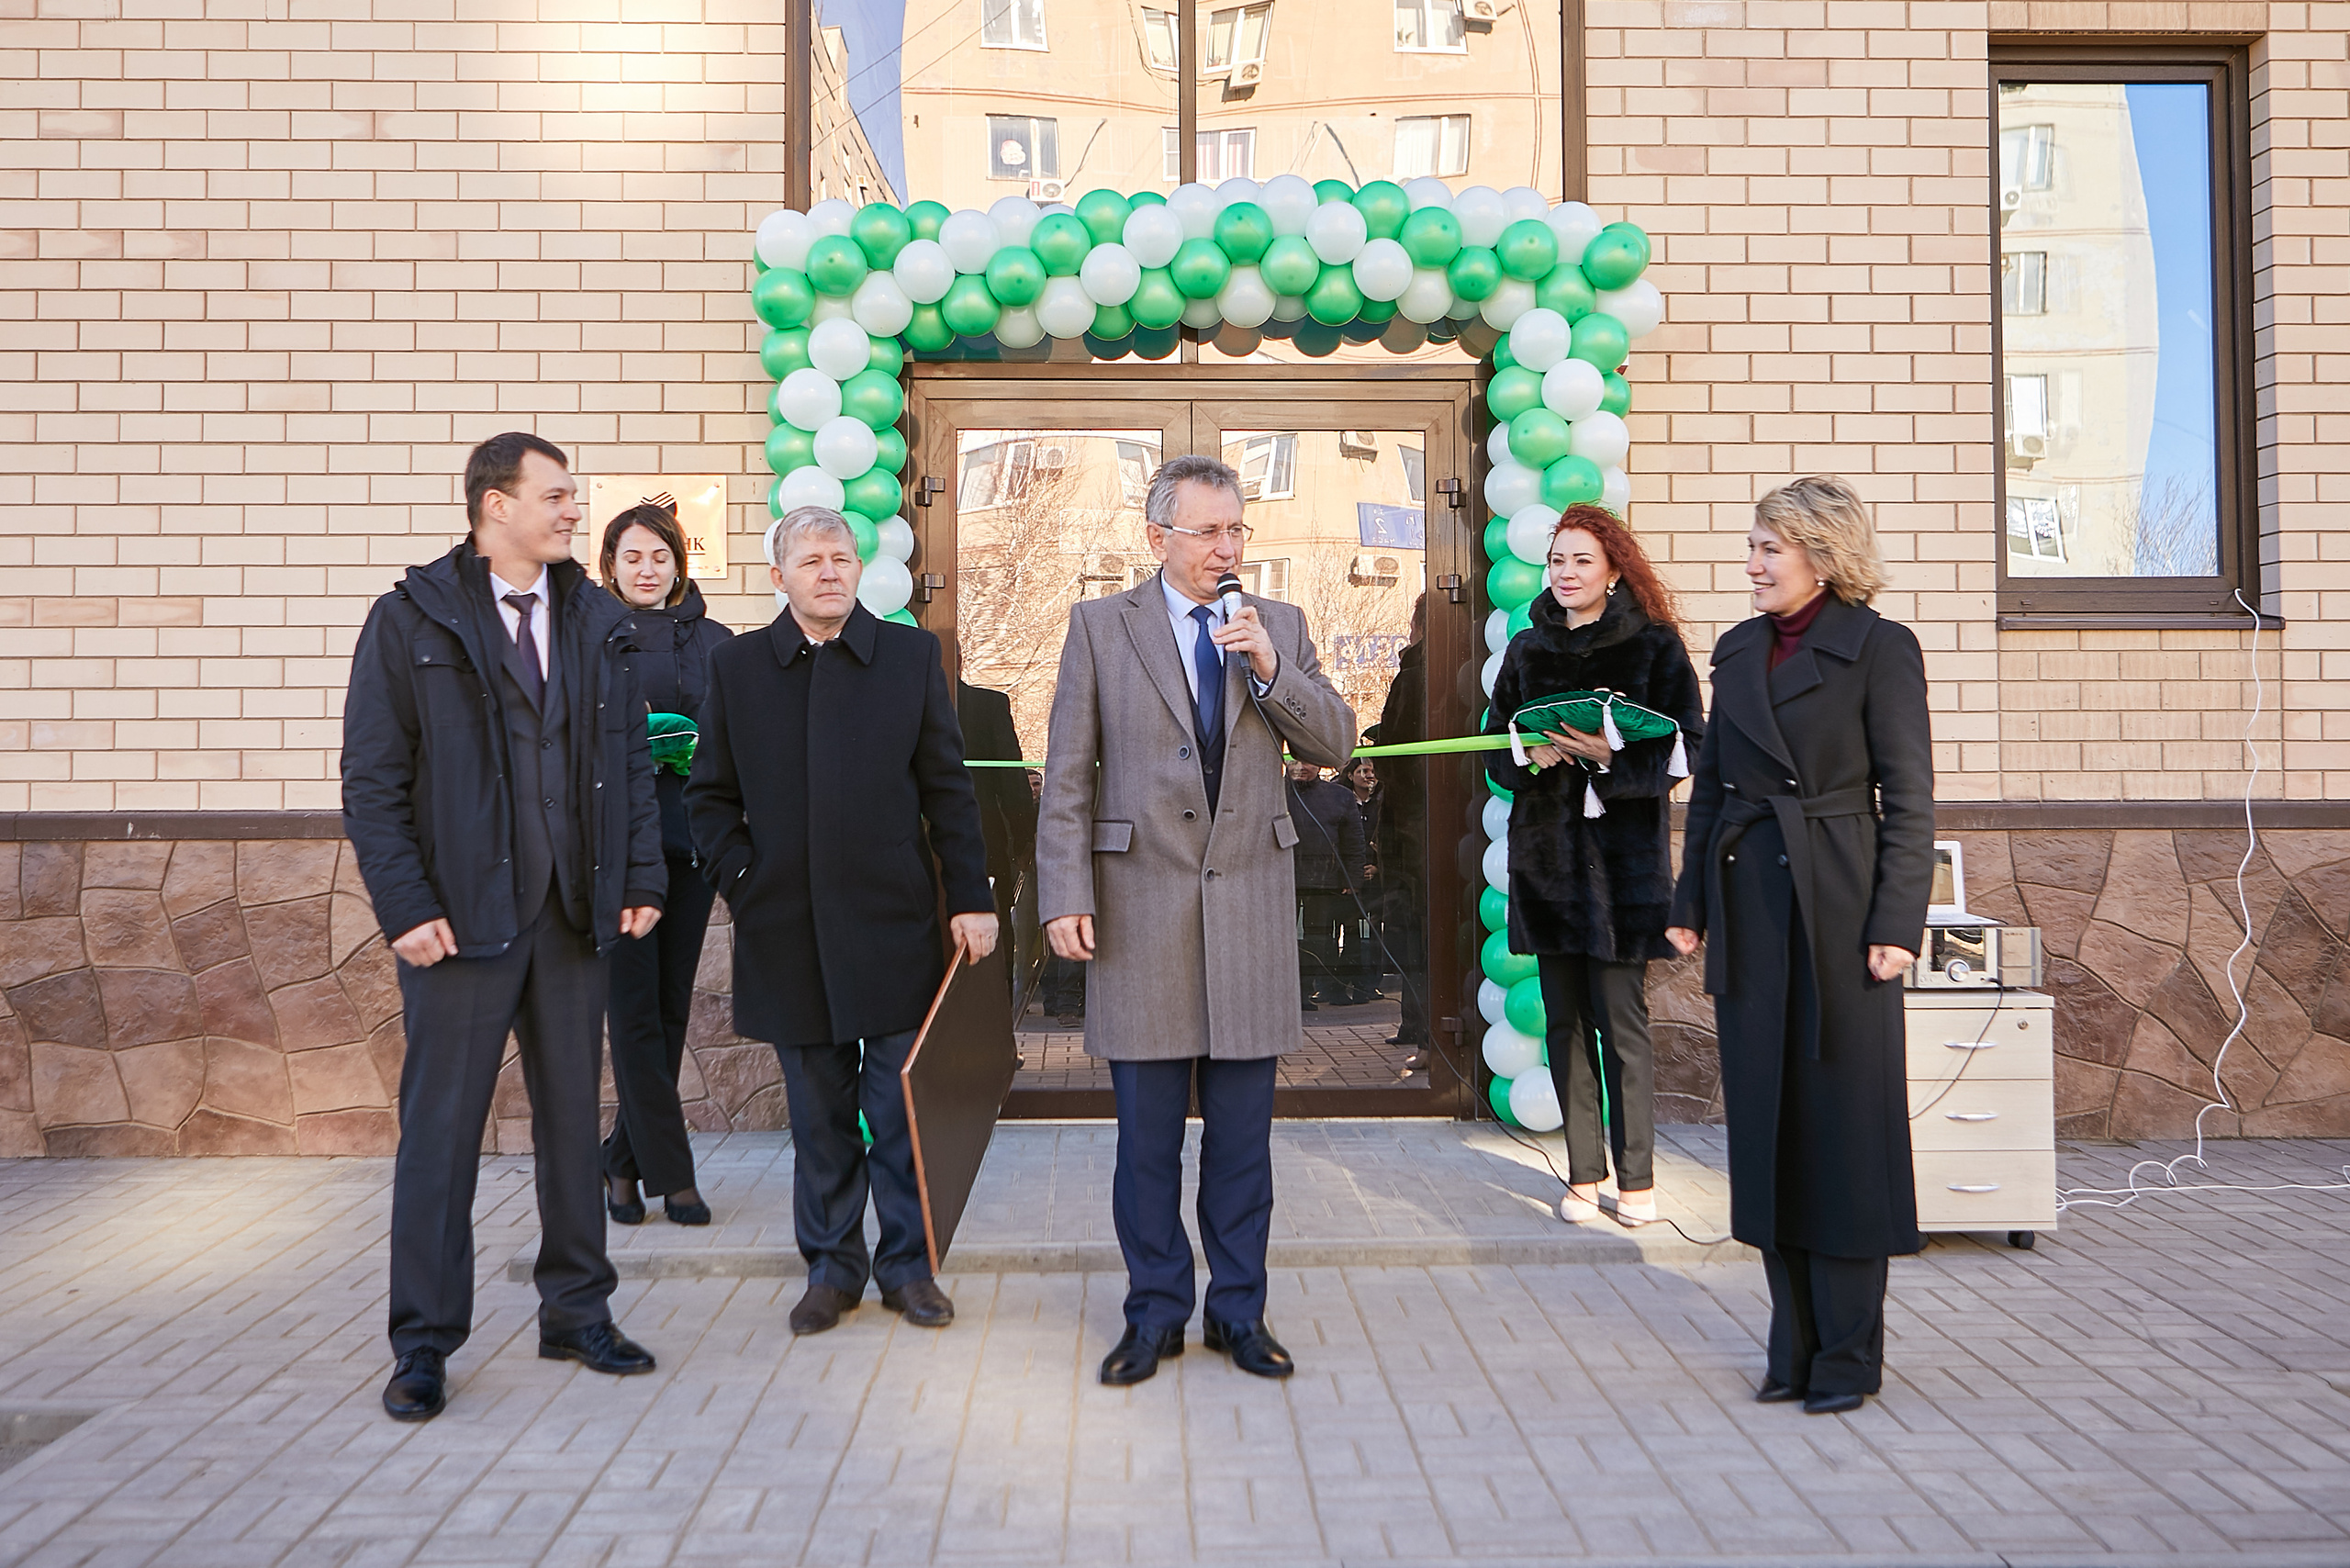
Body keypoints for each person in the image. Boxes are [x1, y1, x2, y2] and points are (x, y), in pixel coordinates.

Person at [341, 432, 666, 1423]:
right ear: (495, 506)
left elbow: (631, 760)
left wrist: (639, 871)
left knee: (572, 1128)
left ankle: (575, 1310)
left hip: (572, 919)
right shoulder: (411, 622)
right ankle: (424, 1343)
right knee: (439, 1137)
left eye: (573, 497)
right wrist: (406, 906)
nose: (575, 511)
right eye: (557, 496)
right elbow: (373, 780)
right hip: (459, 924)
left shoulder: (599, 622)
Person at [1035, 454, 1357, 1387]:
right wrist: (1064, 891)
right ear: (1158, 538)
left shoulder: (1280, 625)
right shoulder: (1101, 627)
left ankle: (1238, 1313)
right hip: (1139, 911)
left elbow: (1335, 743)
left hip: (1249, 908)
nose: (1227, 547)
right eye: (1208, 531)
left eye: (1237, 529)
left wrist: (1269, 668)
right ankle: (1154, 1314)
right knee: (1145, 1143)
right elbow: (1066, 773)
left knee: (1242, 1142)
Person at [686, 507, 997, 1338]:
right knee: (819, 1112)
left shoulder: (906, 658)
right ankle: (831, 1266)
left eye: (842, 558)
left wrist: (971, 897)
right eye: (811, 560)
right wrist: (747, 878)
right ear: (779, 576)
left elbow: (948, 790)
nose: (830, 572)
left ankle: (907, 1268)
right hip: (784, 927)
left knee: (897, 1108)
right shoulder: (739, 667)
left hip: (893, 923)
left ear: (861, 570)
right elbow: (708, 798)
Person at [1665, 475, 1934, 1416]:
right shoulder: (1736, 649)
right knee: (1770, 1129)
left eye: (1768, 548)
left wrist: (1896, 924)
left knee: (1846, 1134)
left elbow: (1907, 799)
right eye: (1753, 546)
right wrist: (1689, 896)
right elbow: (1711, 787)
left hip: (1841, 912)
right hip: (1751, 912)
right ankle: (1793, 1346)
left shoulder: (1879, 648)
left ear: (1820, 553)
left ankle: (1849, 1356)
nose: (1752, 563)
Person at [1483, 505, 1704, 1229]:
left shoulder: (1654, 646)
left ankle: (1636, 1178)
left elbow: (1690, 748)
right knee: (1565, 1026)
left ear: (1613, 567)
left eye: (1581, 561)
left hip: (1623, 867)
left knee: (1623, 1022)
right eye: (1557, 562)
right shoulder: (1524, 651)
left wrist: (1610, 757)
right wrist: (1528, 752)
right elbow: (1492, 751)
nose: (1567, 574)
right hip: (1547, 863)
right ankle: (1584, 1175)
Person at [597, 502, 733, 1228]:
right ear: (609, 567)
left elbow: (737, 742)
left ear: (680, 561)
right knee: (635, 1017)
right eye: (631, 558)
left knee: (670, 1013)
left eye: (659, 556)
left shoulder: (716, 640)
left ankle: (618, 1163)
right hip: (618, 857)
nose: (646, 570)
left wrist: (696, 749)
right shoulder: (586, 636)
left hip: (691, 846)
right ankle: (673, 1178)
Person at [1375, 597, 1429, 1059]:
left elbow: (1398, 748)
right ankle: (1421, 1023)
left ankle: (1420, 1023)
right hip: (1428, 825)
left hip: (1410, 828)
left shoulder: (1413, 675)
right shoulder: (1458, 671)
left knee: (1412, 930)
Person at [1286, 759, 1366, 1010]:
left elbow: (1354, 841)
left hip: (1322, 881)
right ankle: (1284, 993)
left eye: (1308, 761)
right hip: (1280, 882)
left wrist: (1353, 879)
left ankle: (1305, 993)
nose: (1301, 767)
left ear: (1319, 765)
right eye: (1295, 760)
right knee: (1280, 939)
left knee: (1318, 941)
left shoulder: (1339, 796)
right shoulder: (1270, 793)